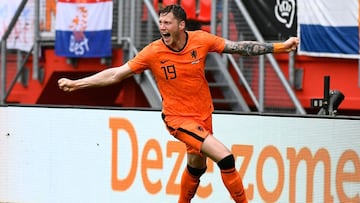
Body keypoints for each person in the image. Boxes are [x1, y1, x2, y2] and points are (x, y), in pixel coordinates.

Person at [58, 4, 299, 203]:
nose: (162, 27)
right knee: (226, 158)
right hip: (177, 119)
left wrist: (280, 46)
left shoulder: (201, 40)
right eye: (160, 23)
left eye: (167, 23)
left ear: (181, 25)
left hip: (203, 116)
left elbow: (240, 48)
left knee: (196, 168)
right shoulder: (153, 52)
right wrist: (78, 84)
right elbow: (116, 74)